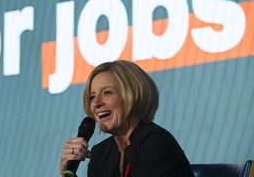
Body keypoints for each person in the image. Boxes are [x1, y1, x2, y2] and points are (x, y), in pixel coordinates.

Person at [60, 60, 194, 177]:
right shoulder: (100, 154)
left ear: (132, 95)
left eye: (107, 93)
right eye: (92, 97)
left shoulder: (155, 142)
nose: (96, 103)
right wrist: (67, 174)